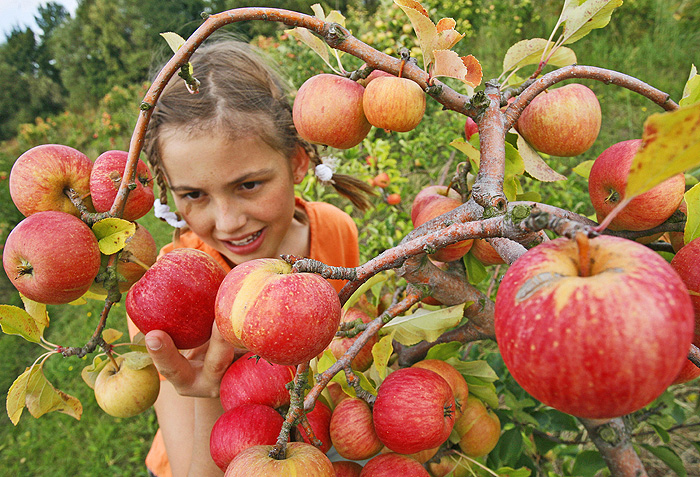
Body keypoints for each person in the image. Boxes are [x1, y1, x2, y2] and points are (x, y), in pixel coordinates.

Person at [126, 38, 374, 477]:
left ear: (297, 163)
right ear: (168, 190)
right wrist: (207, 391)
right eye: (194, 195)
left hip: (304, 437)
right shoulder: (171, 297)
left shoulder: (334, 230)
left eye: (249, 185)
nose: (227, 222)